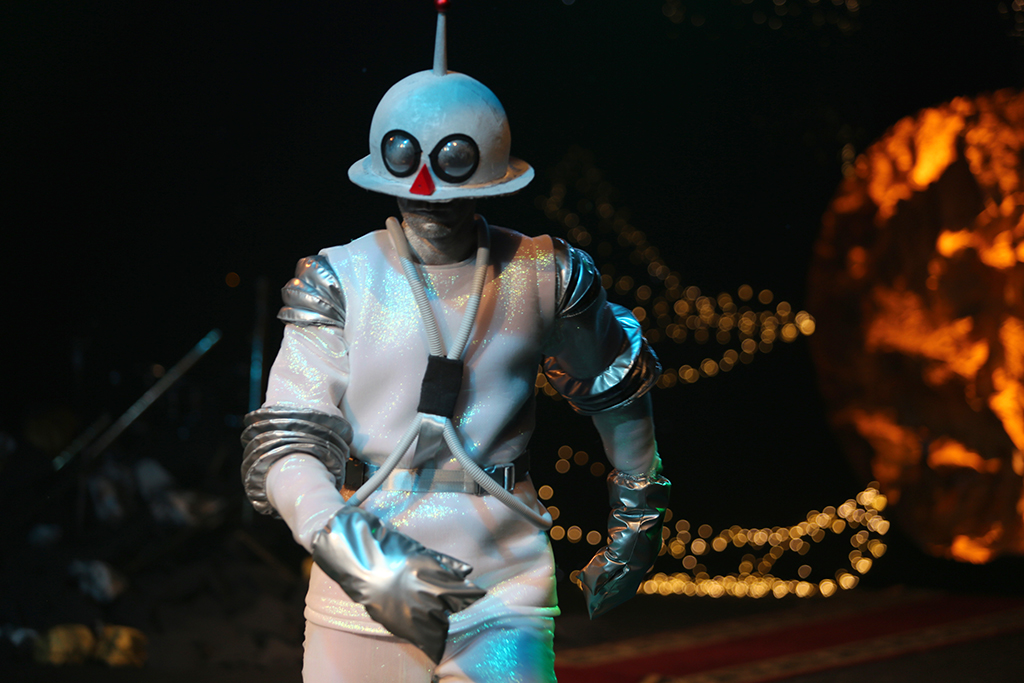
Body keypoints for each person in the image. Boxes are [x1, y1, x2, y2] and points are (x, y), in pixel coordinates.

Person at [241, 4, 670, 681]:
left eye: (452, 165)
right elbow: (286, 441)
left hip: (504, 578)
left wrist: (638, 511)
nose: (428, 190)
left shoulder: (543, 272)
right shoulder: (341, 278)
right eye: (409, 163)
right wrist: (360, 557)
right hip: (365, 584)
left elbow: (614, 380)